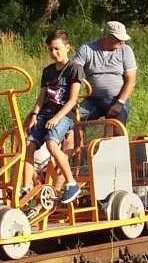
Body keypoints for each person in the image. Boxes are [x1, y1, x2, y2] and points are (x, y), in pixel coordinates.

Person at [21, 31, 82, 204]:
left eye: (57, 49)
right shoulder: (48, 71)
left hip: (64, 114)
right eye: (50, 50)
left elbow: (72, 100)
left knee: (51, 143)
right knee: (30, 144)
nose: (54, 53)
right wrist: (34, 114)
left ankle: (71, 183)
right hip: (46, 113)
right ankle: (25, 187)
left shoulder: (74, 68)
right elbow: (41, 97)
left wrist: (57, 117)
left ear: (67, 48)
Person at [67, 21, 138, 124]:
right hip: (93, 100)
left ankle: (116, 138)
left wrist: (119, 103)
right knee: (71, 119)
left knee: (117, 127)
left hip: (117, 100)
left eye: (123, 39)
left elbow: (131, 80)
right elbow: (74, 71)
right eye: (119, 38)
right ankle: (77, 139)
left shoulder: (126, 50)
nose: (122, 41)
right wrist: (72, 99)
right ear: (106, 37)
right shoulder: (87, 49)